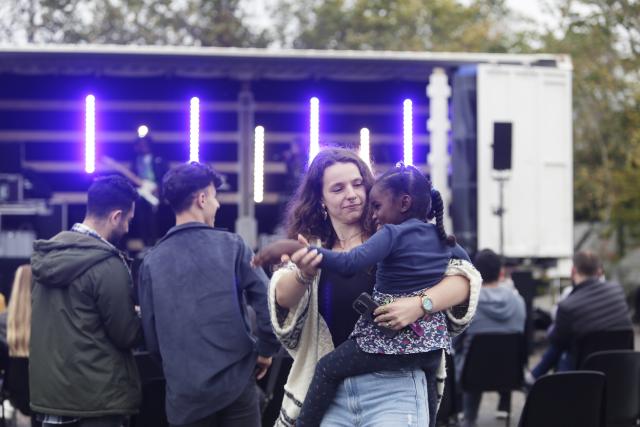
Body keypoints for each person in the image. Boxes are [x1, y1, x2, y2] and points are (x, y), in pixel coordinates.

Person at [265, 148, 481, 427]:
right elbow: (282, 295)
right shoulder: (313, 247)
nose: (351, 194)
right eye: (338, 188)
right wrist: (304, 274)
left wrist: (419, 305)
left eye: (357, 184)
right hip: (329, 394)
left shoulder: (396, 234)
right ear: (321, 199)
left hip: (396, 388)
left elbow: (465, 279)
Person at [137, 162, 280, 427]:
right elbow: (267, 300)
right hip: (236, 386)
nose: (217, 205)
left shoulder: (151, 262)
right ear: (202, 199)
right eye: (214, 197)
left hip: (185, 395)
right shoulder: (233, 246)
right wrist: (266, 350)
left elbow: (152, 335)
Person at [30, 175, 142, 427]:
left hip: (50, 400)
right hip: (96, 403)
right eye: (128, 220)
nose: (127, 228)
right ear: (116, 216)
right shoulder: (107, 264)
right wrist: (143, 316)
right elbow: (126, 334)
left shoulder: (46, 257)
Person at [529, 250, 632, 378]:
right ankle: (534, 376)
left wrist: (552, 328)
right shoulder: (618, 292)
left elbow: (555, 340)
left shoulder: (567, 306)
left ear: (573, 271)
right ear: (599, 272)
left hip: (582, 376)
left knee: (561, 347)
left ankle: (534, 378)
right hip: (619, 374)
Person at [453, 249, 525, 427]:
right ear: (501, 272)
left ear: (475, 272)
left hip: (472, 375)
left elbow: (455, 342)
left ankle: (467, 419)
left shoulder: (467, 304)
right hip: (510, 374)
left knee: (461, 355)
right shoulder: (518, 302)